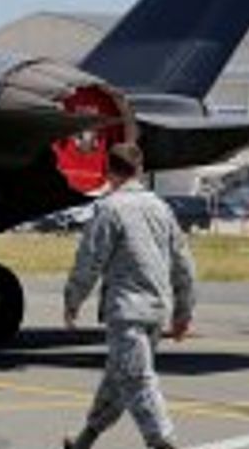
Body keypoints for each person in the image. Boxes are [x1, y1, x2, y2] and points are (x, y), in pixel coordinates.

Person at [62, 142, 196, 449]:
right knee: (117, 378)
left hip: (127, 313)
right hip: (156, 311)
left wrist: (72, 300)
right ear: (140, 170)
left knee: (136, 380)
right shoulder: (161, 209)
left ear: (109, 172)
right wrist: (183, 312)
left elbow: (89, 260)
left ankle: (163, 443)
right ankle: (84, 440)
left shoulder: (109, 209)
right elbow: (184, 265)